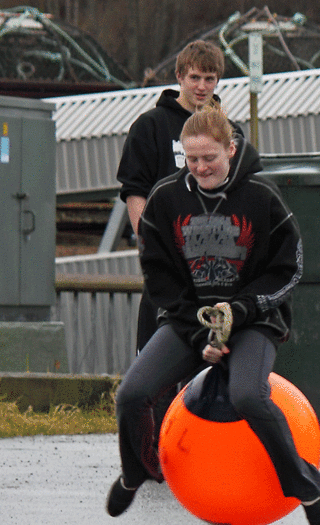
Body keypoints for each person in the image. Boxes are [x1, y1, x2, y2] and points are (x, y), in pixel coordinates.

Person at [106, 106, 320, 525]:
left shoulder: (262, 198)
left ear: (231, 149)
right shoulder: (166, 199)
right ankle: (135, 472)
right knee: (132, 394)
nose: (201, 167)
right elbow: (158, 275)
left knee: (247, 394)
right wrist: (199, 330)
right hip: (191, 321)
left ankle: (303, 486)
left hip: (254, 321)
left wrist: (241, 312)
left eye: (209, 158)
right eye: (192, 160)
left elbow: (289, 270)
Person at [117, 39, 228, 354]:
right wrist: (148, 243)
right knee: (157, 355)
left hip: (215, 262)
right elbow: (134, 190)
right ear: (179, 76)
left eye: (210, 79)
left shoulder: (228, 131)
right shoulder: (150, 126)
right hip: (167, 259)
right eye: (195, 77)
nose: (202, 86)